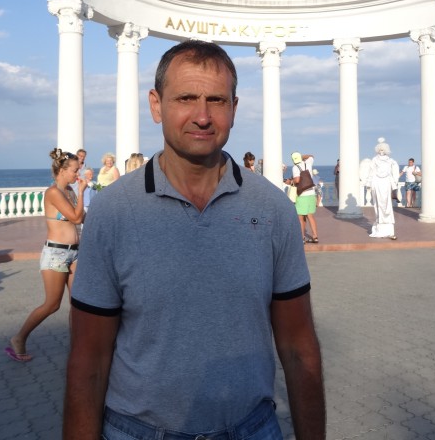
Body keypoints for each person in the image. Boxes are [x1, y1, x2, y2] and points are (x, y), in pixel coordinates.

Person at [64, 40, 325, 439]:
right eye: (185, 98)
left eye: (216, 100)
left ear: (234, 108)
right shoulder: (113, 212)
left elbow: (298, 346)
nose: (202, 116)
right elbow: (89, 359)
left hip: (252, 428)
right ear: (156, 105)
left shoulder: (273, 209)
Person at [6, 148, 87, 362]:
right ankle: (19, 338)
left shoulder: (69, 191)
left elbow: (83, 217)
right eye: (75, 170)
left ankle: (77, 347)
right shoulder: (53, 193)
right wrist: (82, 192)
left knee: (78, 304)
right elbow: (76, 218)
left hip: (75, 253)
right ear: (62, 170)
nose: (77, 174)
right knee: (52, 304)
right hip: (56, 254)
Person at [366, 138, 400, 240]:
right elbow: (371, 172)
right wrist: (369, 183)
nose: (381, 152)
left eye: (383, 150)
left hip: (386, 184)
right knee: (378, 204)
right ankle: (380, 228)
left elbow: (394, 173)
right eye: (380, 150)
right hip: (377, 183)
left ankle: (389, 230)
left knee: (387, 205)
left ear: (386, 150)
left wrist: (394, 183)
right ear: (377, 150)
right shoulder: (374, 160)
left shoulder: (390, 161)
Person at [291, 152, 319, 243]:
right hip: (311, 193)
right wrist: (303, 156)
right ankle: (315, 237)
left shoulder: (295, 167)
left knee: (301, 217)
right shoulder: (308, 163)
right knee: (310, 216)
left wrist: (291, 181)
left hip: (302, 195)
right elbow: (311, 156)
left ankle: (302, 238)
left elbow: (297, 180)